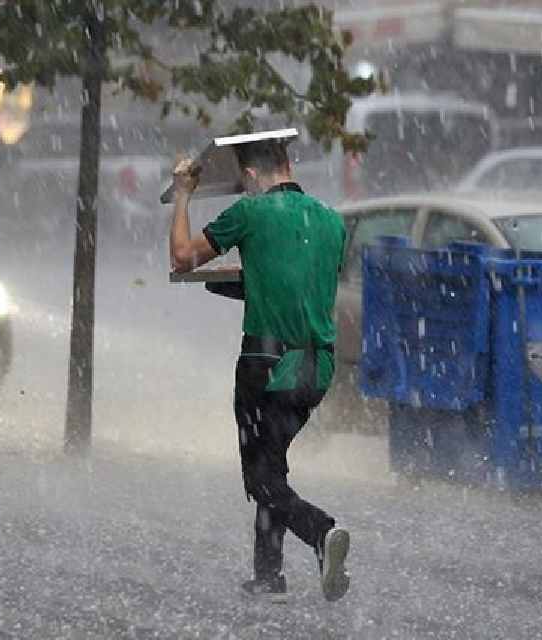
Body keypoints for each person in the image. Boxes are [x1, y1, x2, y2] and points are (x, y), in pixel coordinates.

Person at [168, 138, 351, 603]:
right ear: (288, 164)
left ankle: (320, 531)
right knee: (272, 465)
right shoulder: (331, 221)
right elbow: (300, 285)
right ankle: (268, 577)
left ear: (249, 176)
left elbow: (182, 257)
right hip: (316, 368)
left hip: (266, 365)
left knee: (260, 479)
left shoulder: (250, 213)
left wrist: (184, 194)